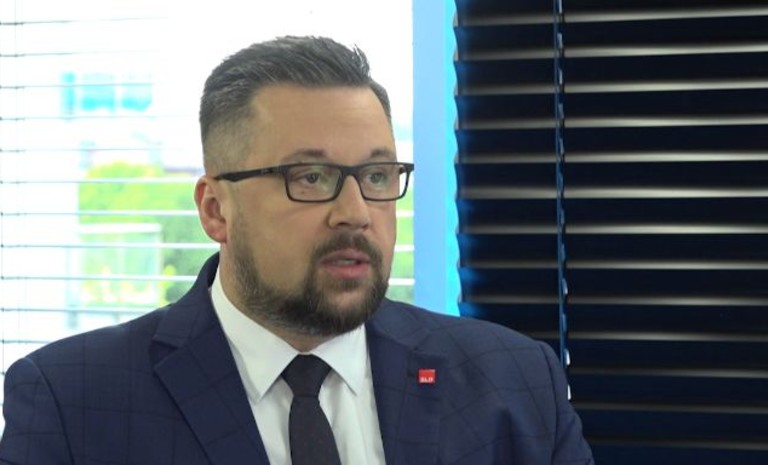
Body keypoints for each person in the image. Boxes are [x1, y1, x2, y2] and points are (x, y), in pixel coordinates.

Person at [0, 36, 594, 464]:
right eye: (310, 177)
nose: (355, 212)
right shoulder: (73, 401)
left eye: (377, 175)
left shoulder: (515, 381)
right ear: (215, 210)